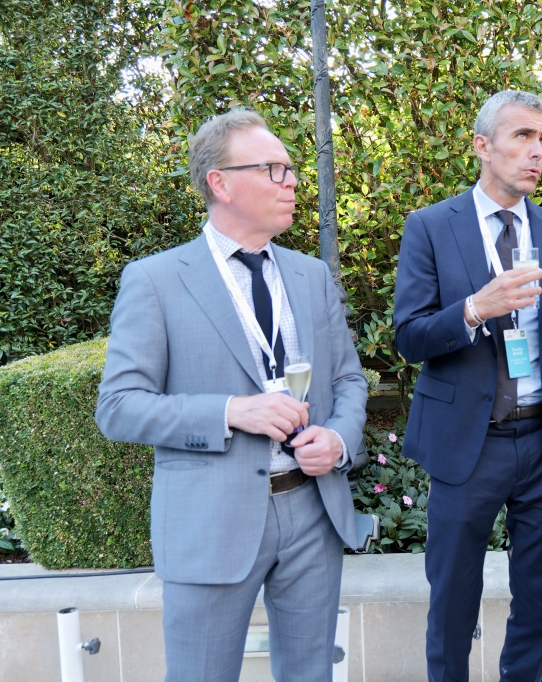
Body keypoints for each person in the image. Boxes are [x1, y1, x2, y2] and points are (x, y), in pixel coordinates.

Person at [95, 108, 367, 682]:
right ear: (219, 183)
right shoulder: (155, 280)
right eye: (273, 169)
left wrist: (339, 440)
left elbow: (347, 379)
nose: (292, 181)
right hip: (209, 521)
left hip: (312, 510)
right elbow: (118, 406)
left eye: (290, 168)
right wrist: (231, 411)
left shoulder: (310, 275)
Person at [393, 90, 542, 681]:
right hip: (469, 442)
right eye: (523, 137)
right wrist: (473, 309)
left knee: (538, 601)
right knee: (452, 601)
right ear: (482, 147)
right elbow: (409, 338)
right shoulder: (430, 227)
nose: (537, 151)